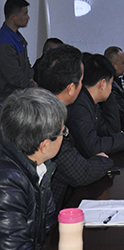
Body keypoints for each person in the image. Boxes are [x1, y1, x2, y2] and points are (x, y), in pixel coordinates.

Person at [0, 88, 66, 250]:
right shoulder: (8, 183)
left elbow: (47, 229)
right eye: (63, 132)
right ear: (44, 145)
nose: (65, 136)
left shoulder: (36, 165)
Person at [37, 44, 115, 210]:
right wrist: (104, 161)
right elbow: (81, 173)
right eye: (81, 81)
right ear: (71, 88)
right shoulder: (49, 121)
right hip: (45, 218)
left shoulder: (36, 105)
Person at [67, 54, 124, 158]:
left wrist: (107, 96)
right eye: (110, 83)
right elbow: (92, 147)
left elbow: (111, 132)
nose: (111, 89)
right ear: (102, 84)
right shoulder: (79, 107)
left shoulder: (92, 103)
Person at [0, 0, 36, 102]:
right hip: (7, 99)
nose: (28, 17)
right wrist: (31, 86)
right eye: (25, 14)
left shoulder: (18, 38)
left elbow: (27, 65)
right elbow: (13, 75)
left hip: (19, 94)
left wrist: (31, 79)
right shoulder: (4, 41)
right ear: (14, 17)